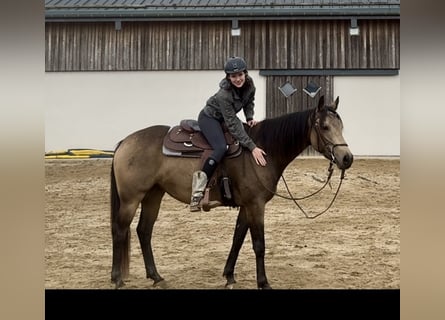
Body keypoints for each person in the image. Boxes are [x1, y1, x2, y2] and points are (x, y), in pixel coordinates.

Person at [190, 56, 267, 212]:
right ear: (228, 77)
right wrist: (252, 147)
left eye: (240, 75)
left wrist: (250, 117)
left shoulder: (250, 85)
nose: (238, 79)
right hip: (210, 118)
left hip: (225, 118)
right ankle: (198, 190)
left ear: (245, 73)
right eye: (233, 76)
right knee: (220, 147)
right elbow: (232, 124)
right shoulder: (223, 95)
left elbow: (249, 102)